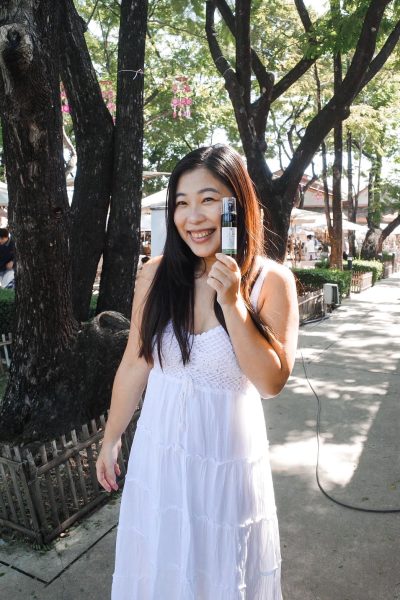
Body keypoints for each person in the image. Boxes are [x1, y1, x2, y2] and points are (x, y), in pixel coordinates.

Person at [96, 145, 299, 599]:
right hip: (160, 457)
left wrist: (233, 303)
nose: (193, 217)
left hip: (226, 468)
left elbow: (271, 383)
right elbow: (135, 362)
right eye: (182, 203)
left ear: (236, 206)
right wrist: (111, 438)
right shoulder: (155, 275)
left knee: (221, 576)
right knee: (160, 571)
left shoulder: (270, 281)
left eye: (208, 199)